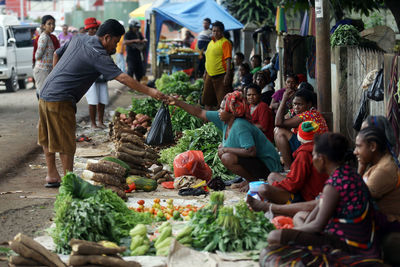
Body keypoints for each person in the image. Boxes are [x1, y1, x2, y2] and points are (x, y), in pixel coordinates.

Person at [39, 19, 165, 188]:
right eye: (115, 41)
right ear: (106, 38)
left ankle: (51, 175)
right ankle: (69, 181)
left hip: (46, 92)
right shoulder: (98, 54)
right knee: (66, 142)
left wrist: (57, 79)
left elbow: (57, 54)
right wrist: (151, 91)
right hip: (61, 98)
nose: (115, 46)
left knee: (47, 136)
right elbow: (122, 77)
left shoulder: (79, 38)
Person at [266, 132, 379, 259]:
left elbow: (317, 226)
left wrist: (288, 232)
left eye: (314, 155)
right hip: (354, 237)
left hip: (348, 245)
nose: (312, 159)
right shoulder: (348, 173)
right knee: (299, 217)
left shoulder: (334, 185)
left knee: (274, 237)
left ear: (322, 159)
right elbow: (317, 211)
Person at [168, 91, 281, 192]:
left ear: (232, 112)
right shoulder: (225, 120)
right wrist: (177, 102)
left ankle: (253, 181)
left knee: (227, 157)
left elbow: (251, 151)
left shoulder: (240, 125)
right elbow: (198, 112)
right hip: (255, 163)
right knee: (224, 153)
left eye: (222, 109)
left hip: (269, 167)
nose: (219, 111)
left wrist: (226, 148)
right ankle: (249, 179)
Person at [259, 121, 328, 204]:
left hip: (309, 197)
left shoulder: (304, 153)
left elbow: (294, 184)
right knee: (272, 176)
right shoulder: (322, 148)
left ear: (299, 137)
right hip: (314, 190)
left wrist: (276, 185)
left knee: (264, 189)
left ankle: (284, 202)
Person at [354, 126, 400, 224]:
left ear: (373, 146)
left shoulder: (383, 170)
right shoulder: (376, 164)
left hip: (390, 226)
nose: (355, 151)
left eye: (358, 146)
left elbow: (356, 198)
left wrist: (360, 169)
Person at [274, 89, 328, 170]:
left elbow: (278, 122)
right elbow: (281, 120)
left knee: (280, 132)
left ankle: (288, 168)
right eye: (294, 104)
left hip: (314, 149)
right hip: (306, 145)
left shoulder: (309, 114)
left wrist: (284, 100)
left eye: (299, 104)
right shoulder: (297, 112)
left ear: (309, 105)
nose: (296, 107)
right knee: (277, 130)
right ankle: (284, 159)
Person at [83, 18, 109, 129]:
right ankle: (93, 123)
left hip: (101, 73)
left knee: (102, 98)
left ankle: (100, 121)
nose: (94, 30)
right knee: (92, 99)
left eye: (95, 28)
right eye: (92, 28)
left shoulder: (101, 39)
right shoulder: (85, 40)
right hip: (89, 73)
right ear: (88, 30)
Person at [202, 21, 233, 110]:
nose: (215, 33)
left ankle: (223, 122)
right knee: (207, 101)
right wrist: (205, 72)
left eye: (218, 31)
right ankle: (207, 123)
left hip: (221, 75)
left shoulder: (225, 42)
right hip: (209, 74)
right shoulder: (211, 43)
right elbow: (208, 59)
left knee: (223, 102)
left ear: (222, 31)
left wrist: (227, 75)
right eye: (214, 31)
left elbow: (228, 59)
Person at [33, 15, 59, 98]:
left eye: (53, 24)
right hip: (42, 71)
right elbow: (37, 55)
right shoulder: (44, 37)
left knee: (47, 96)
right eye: (49, 24)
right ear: (43, 26)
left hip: (47, 71)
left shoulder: (49, 37)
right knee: (43, 96)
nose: (52, 26)